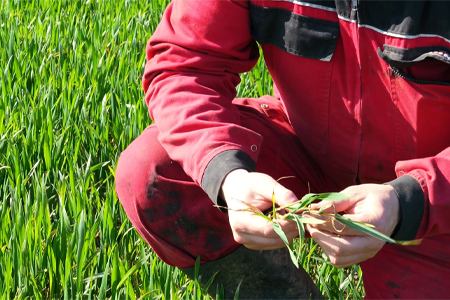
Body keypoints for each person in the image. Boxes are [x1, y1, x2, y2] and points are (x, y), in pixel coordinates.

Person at [115, 0, 450, 299]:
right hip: (304, 149)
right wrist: (229, 177)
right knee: (155, 171)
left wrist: (409, 202)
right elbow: (185, 64)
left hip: (433, 196)